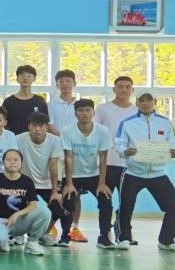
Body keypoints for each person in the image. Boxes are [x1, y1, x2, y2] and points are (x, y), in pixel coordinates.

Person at [115, 93, 175, 251]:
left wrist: (173, 150)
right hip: (133, 173)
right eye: (142, 100)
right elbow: (119, 144)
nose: (145, 103)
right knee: (126, 206)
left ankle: (167, 240)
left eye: (149, 100)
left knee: (173, 205)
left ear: (155, 102)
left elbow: (172, 141)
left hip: (158, 173)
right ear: (137, 102)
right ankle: (123, 238)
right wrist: (126, 151)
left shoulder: (165, 123)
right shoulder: (127, 123)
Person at [60, 99, 115, 248]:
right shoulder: (67, 131)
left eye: (87, 110)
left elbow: (103, 158)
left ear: (93, 113)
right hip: (72, 176)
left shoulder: (102, 131)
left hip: (93, 175)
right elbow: (68, 157)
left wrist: (102, 183)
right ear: (75, 114)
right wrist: (69, 183)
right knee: (68, 201)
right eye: (80, 110)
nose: (84, 113)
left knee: (106, 201)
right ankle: (65, 236)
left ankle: (104, 237)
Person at [92, 75, 137, 244]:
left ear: (132, 90)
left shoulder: (137, 111)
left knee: (127, 202)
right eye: (120, 86)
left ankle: (124, 234)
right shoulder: (103, 109)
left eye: (127, 87)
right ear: (114, 89)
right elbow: (95, 132)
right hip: (107, 163)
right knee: (105, 202)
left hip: (129, 165)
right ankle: (104, 235)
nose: (123, 90)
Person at [16, 112, 70, 248]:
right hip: (25, 184)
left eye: (41, 126)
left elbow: (53, 165)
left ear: (46, 127)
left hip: (47, 185)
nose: (37, 129)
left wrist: (55, 192)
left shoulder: (55, 141)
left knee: (57, 209)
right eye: (34, 125)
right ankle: (18, 233)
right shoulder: (18, 139)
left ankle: (42, 234)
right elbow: (16, 162)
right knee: (15, 205)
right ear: (29, 126)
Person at [0, 149, 50, 256]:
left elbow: (33, 204)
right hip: (1, 220)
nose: (12, 162)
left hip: (20, 221)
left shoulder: (27, 181)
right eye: (8, 160)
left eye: (16, 160)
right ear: (3, 162)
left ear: (21, 163)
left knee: (45, 212)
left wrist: (17, 214)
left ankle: (32, 242)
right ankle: (3, 241)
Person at [2, 65, 49, 135]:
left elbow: (45, 123)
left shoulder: (40, 101)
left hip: (35, 139)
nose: (25, 78)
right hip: (14, 139)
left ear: (34, 79)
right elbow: (3, 123)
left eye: (28, 76)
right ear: (17, 79)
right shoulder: (8, 102)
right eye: (22, 76)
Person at [49, 70, 78, 135]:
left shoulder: (80, 105)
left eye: (68, 81)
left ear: (74, 83)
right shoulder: (50, 105)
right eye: (61, 81)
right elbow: (50, 126)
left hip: (77, 140)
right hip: (57, 139)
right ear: (57, 85)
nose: (65, 84)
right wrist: (64, 138)